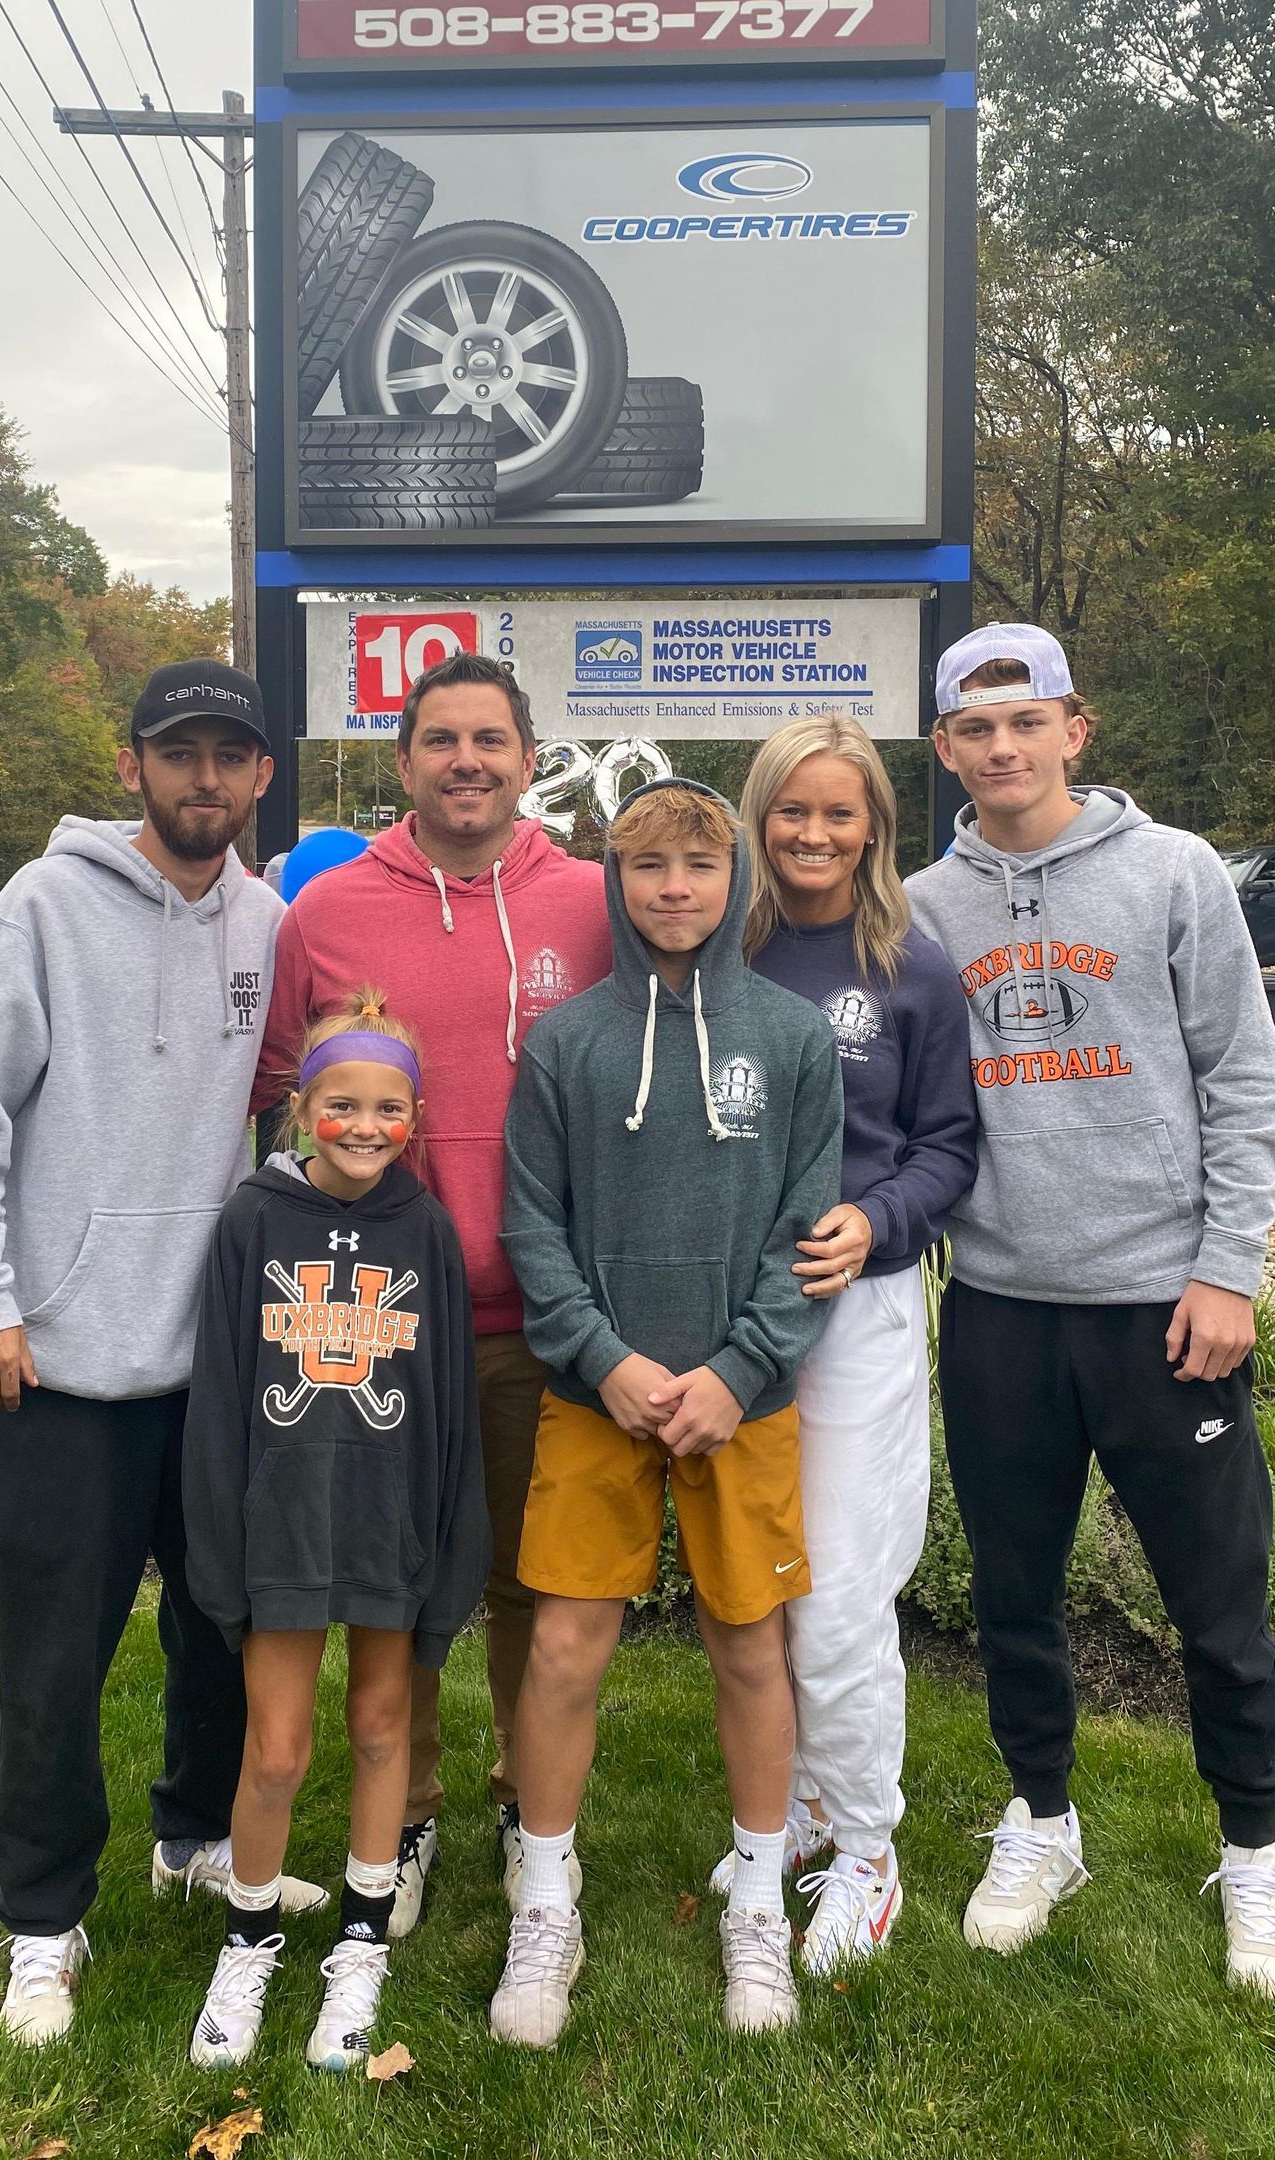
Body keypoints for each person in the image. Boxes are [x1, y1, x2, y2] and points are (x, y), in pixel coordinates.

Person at [0, 659, 324, 2048]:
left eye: (230, 756)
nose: (205, 778)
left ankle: (196, 1835)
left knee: (220, 1627)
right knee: (52, 1660)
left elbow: (277, 1104)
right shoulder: (42, 908)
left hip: (209, 1362)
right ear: (135, 766)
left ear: (262, 777)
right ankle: (42, 1918)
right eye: (178, 753)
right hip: (62, 1369)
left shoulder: (267, 922)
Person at [906, 624, 1275, 2005]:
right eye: (976, 728)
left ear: (1076, 730)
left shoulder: (1172, 874)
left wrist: (1228, 1270)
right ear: (947, 748)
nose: (1003, 748)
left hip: (1162, 1310)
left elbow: (1246, 1087)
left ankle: (1254, 1851)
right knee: (1014, 1598)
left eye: (1029, 722)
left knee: (1219, 1608)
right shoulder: (921, 907)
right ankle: (1044, 1824)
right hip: (1004, 1310)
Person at [255, 651, 609, 1932]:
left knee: (528, 1576)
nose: (469, 760)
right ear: (403, 764)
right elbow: (266, 1102)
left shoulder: (593, 901)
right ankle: (402, 1819)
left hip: (546, 1315)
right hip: (380, 1323)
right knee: (391, 1583)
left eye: (492, 739)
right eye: (442, 739)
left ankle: (530, 1806)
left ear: (528, 759)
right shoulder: (328, 912)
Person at [492, 779, 844, 2045]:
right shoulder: (570, 1042)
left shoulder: (794, 1040)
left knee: (751, 1647)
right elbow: (531, 1221)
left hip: (740, 1404)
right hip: (601, 1396)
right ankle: (546, 1895)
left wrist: (740, 1369)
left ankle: (759, 1905)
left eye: (701, 863)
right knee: (566, 1648)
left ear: (735, 876)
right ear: (615, 883)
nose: (675, 888)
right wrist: (608, 1359)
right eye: (649, 867)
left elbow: (809, 1224)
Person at [702, 717, 977, 1971]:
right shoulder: (713, 947)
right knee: (765, 1587)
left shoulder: (911, 963)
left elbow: (949, 1147)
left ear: (876, 825)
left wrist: (878, 1220)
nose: (812, 834)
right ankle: (802, 1798)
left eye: (840, 812)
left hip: (854, 1308)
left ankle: (868, 1842)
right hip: (729, 1315)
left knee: (842, 1598)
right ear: (757, 819)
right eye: (789, 812)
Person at [183, 990, 490, 2072]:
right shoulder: (251, 1222)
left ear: (416, 1113)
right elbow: (221, 1395)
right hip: (283, 1530)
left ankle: (360, 1949)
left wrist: (452, 1544)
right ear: (301, 1107)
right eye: (342, 1105)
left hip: (388, 1527)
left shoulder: (428, 1231)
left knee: (378, 1731)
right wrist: (219, 1539)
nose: (366, 1127)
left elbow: (448, 1406)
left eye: (389, 1107)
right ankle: (248, 1940)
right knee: (275, 1749)